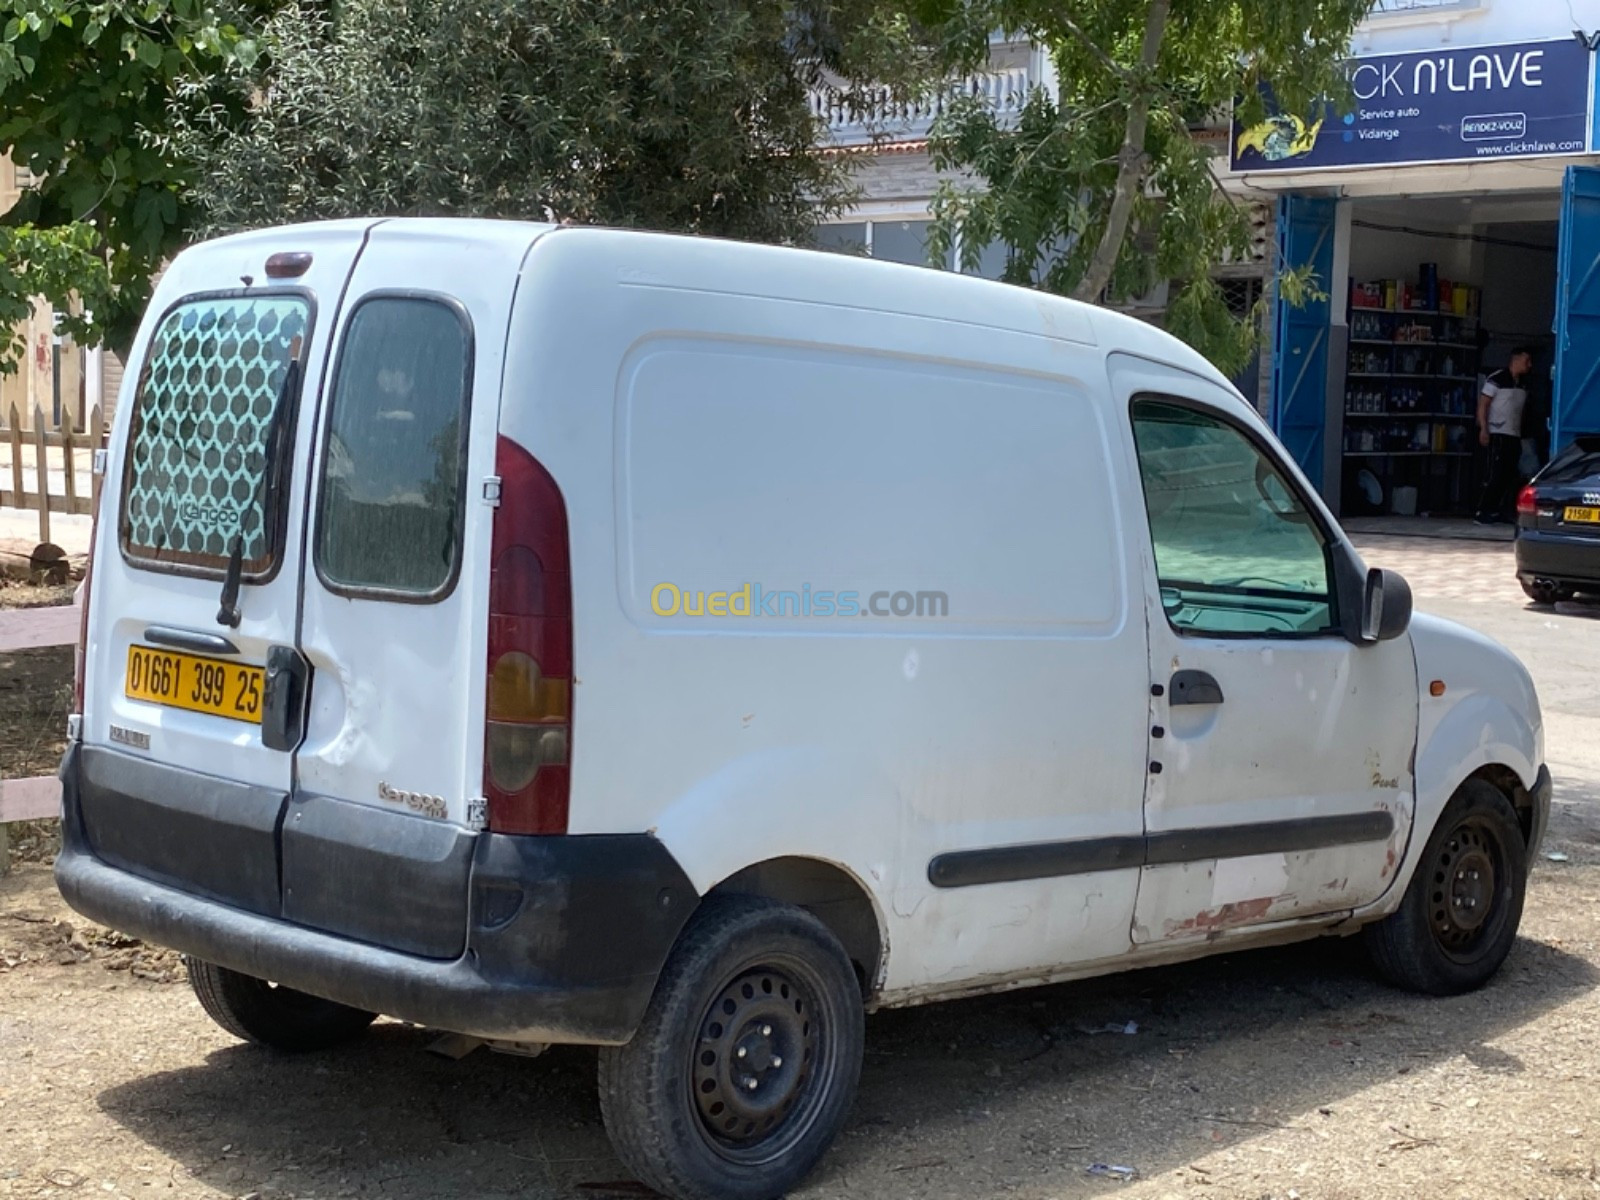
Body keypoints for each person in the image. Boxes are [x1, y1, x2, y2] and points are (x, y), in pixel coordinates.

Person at [1475, 347, 1532, 524]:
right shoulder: (1497, 379)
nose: (1529, 365)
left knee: (1509, 474)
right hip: (1498, 432)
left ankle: (1498, 510)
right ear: (1515, 360)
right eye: (1526, 361)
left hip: (1513, 434)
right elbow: (1483, 404)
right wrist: (1484, 428)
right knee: (1495, 474)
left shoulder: (1523, 383)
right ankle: (1482, 510)